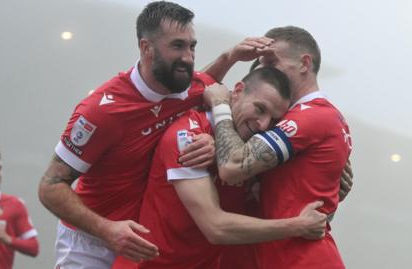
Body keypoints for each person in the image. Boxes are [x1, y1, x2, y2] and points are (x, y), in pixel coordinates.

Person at [37, 1, 272, 268]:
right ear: (146, 48)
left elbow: (203, 86)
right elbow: (50, 187)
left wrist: (214, 139)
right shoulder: (100, 111)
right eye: (177, 46)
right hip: (90, 241)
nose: (188, 57)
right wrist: (107, 230)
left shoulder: (185, 84)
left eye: (192, 46)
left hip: (139, 240)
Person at [137, 66, 327, 269]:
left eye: (273, 120)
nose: (263, 125)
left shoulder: (255, 150)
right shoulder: (190, 137)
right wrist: (297, 226)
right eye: (260, 109)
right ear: (237, 92)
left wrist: (333, 181)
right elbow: (215, 228)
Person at [204, 26, 352, 269]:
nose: (264, 69)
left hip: (304, 260)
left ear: (304, 63)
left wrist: (220, 105)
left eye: (272, 61)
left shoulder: (313, 116)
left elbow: (233, 166)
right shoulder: (297, 117)